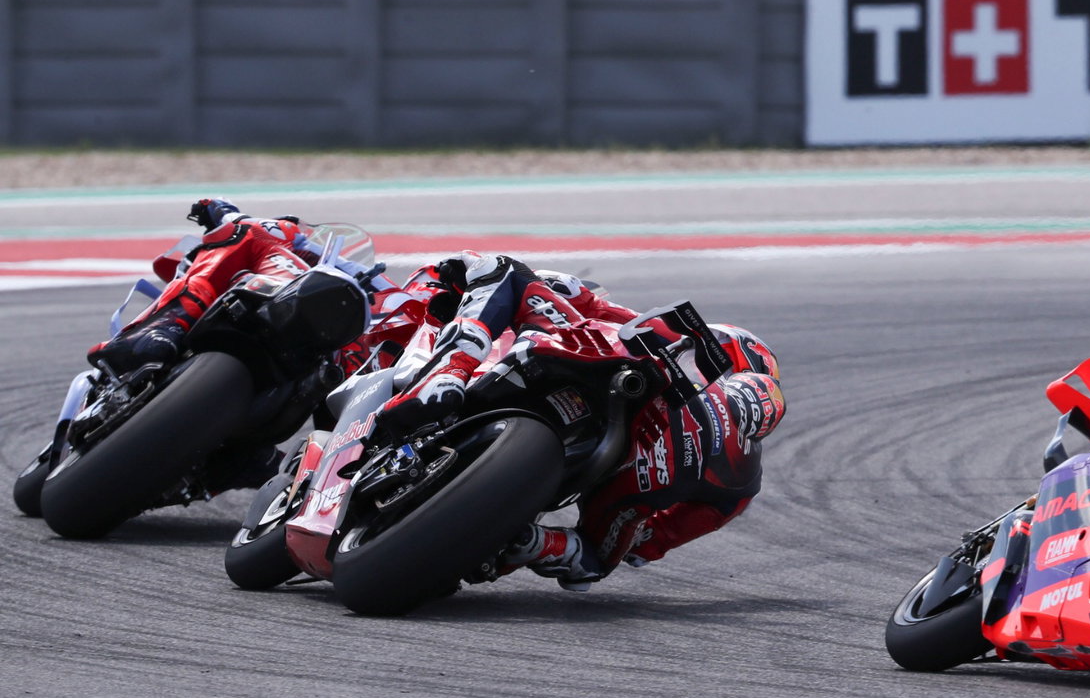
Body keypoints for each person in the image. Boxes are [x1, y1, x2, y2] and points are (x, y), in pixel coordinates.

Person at [376, 251, 784, 591]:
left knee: (501, 270)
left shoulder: (666, 341)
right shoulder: (740, 484)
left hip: (579, 369)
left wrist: (547, 285)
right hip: (609, 455)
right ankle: (532, 543)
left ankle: (449, 372)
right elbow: (644, 548)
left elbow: (584, 300)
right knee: (593, 559)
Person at [88, 197, 330, 374]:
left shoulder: (342, 276)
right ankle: (163, 327)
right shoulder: (278, 233)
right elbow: (232, 218)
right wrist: (220, 209)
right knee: (252, 232)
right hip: (234, 294)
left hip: (294, 332)